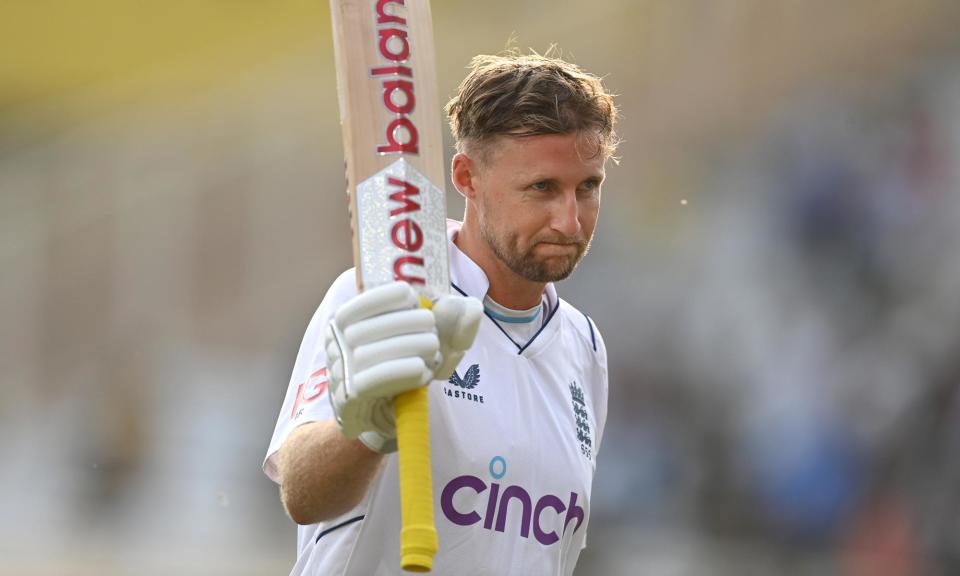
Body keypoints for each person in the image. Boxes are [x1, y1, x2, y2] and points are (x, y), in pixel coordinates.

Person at [263, 50, 618, 575]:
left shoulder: (585, 348)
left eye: (587, 188)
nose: (570, 222)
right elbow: (302, 492)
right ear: (467, 177)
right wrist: (365, 429)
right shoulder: (383, 294)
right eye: (542, 188)